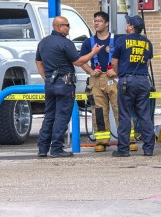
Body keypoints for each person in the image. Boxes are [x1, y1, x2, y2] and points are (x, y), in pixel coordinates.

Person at [35, 16, 103, 158]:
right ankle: (57, 148)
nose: (69, 28)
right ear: (59, 27)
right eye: (67, 25)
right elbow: (79, 61)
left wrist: (45, 77)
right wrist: (93, 53)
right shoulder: (65, 43)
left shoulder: (43, 42)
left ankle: (42, 148)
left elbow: (38, 62)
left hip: (50, 85)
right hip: (65, 84)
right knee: (62, 116)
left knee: (49, 115)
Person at [111, 14, 154, 157]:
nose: (126, 25)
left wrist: (120, 76)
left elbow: (114, 62)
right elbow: (147, 63)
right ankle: (148, 149)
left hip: (127, 80)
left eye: (127, 23)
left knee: (124, 115)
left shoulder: (121, 41)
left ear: (131, 26)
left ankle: (123, 150)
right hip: (143, 80)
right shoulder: (147, 43)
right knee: (144, 115)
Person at [78, 11, 118, 150]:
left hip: (113, 78)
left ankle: (128, 139)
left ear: (106, 23)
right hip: (95, 79)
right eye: (95, 20)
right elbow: (80, 61)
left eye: (99, 21)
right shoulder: (88, 42)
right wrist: (90, 71)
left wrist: (116, 71)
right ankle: (102, 141)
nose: (96, 23)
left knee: (120, 108)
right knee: (99, 111)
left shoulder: (116, 39)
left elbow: (123, 59)